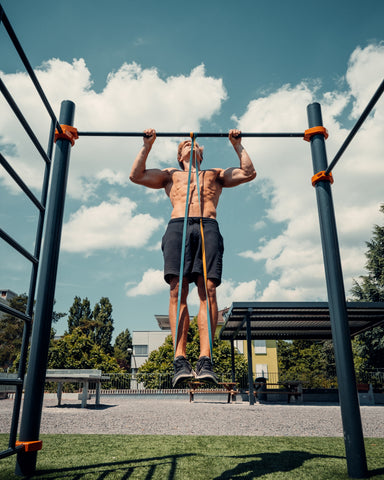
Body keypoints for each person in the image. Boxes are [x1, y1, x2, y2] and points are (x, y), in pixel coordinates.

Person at [130, 128, 256, 387]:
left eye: (194, 143)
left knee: (208, 290)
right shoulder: (170, 175)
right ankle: (180, 359)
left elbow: (248, 172)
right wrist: (147, 145)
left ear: (201, 152)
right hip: (178, 226)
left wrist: (237, 144)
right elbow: (136, 175)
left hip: (207, 225)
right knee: (177, 290)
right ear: (180, 154)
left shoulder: (214, 175)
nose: (191, 144)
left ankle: (205, 359)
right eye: (186, 143)